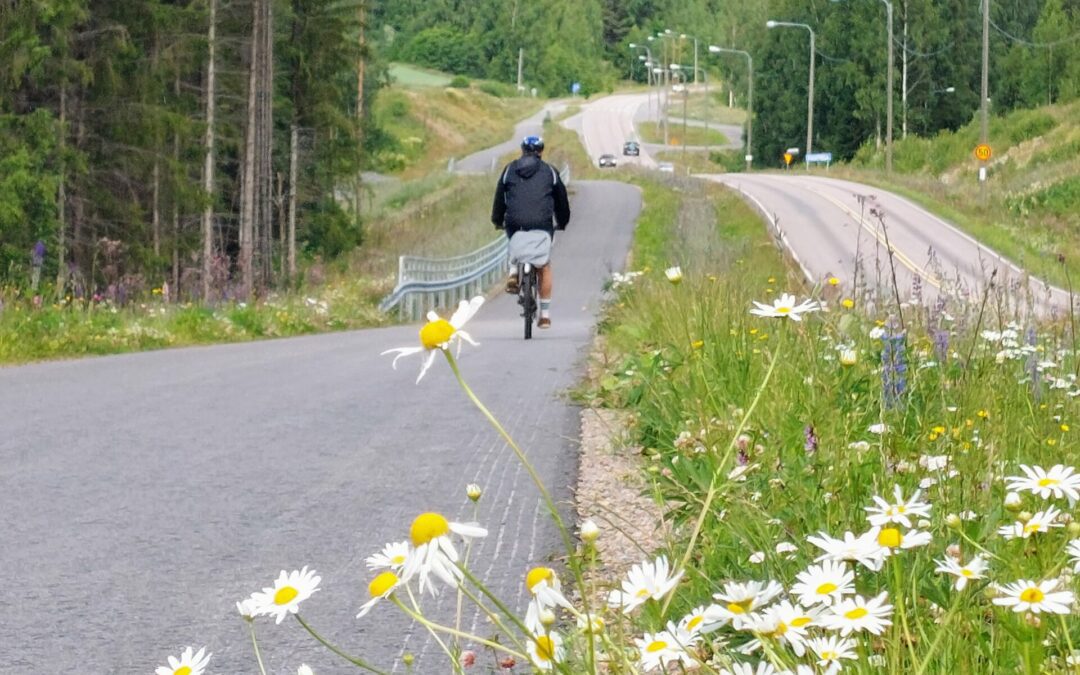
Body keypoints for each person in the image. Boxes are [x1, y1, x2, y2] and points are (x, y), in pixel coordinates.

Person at [490, 135, 571, 329]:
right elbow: (561, 201)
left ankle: (513, 270)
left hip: (515, 223)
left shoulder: (509, 169)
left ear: (522, 150)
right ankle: (544, 315)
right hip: (542, 224)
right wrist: (562, 222)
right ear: (541, 151)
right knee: (544, 266)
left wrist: (497, 220)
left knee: (513, 236)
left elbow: (500, 199)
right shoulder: (550, 172)